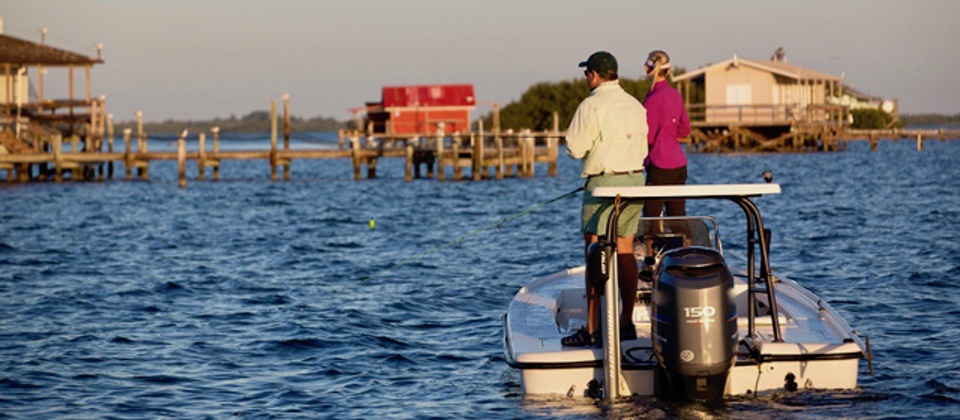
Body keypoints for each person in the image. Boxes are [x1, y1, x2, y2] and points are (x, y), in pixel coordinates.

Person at [562, 51, 648, 347]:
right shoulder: (636, 105)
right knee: (625, 249)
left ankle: (592, 328)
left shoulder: (591, 105)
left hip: (602, 184)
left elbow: (575, 148)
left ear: (594, 75)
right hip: (636, 180)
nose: (586, 78)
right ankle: (626, 323)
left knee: (594, 251)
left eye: (587, 74)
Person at [642, 50, 691, 219]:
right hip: (679, 164)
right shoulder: (675, 95)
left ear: (647, 69)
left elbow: (647, 137)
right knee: (678, 215)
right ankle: (684, 245)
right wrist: (668, 137)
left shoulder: (652, 99)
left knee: (651, 216)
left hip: (660, 164)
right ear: (669, 71)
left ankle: (649, 246)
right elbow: (685, 129)